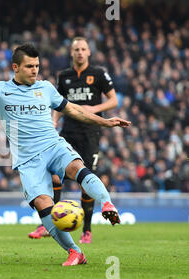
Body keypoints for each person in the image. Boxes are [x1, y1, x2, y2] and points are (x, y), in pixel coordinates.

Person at [0, 43, 130, 266]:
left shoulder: (46, 88)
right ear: (15, 67)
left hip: (53, 146)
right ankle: (76, 252)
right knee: (44, 205)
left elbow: (73, 109)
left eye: (37, 66)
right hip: (28, 160)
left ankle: (107, 204)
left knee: (78, 167)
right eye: (29, 66)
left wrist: (104, 122)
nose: (35, 70)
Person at [28, 37, 119, 243]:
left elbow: (113, 99)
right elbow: (58, 104)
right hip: (68, 132)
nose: (79, 52)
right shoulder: (65, 76)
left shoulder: (98, 74)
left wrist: (93, 110)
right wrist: (53, 121)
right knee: (54, 176)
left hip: (90, 133)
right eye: (76, 49)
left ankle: (86, 229)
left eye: (83, 49)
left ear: (88, 52)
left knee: (85, 182)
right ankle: (47, 223)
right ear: (71, 52)